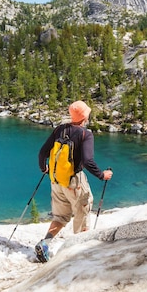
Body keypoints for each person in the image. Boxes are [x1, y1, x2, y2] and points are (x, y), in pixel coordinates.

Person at [35, 100, 113, 262]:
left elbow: (42, 153)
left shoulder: (60, 129)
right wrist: (102, 175)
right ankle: (78, 254)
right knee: (82, 214)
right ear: (84, 116)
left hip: (56, 181)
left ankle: (45, 243)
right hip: (75, 182)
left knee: (60, 216)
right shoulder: (85, 134)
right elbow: (87, 160)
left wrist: (45, 169)